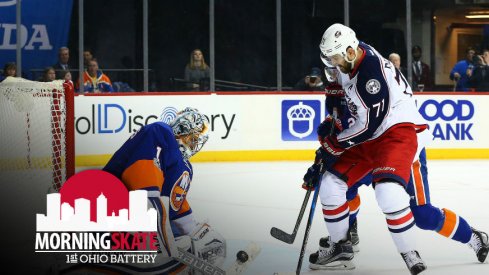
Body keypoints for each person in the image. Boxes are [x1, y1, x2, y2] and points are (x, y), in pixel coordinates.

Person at [305, 89, 489, 265]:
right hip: (364, 154)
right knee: (341, 188)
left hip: (400, 152)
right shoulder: (344, 100)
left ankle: (473, 236)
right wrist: (324, 156)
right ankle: (345, 238)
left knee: (423, 215)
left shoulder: (381, 93)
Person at [305, 23, 431, 274]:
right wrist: (333, 120)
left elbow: (370, 125)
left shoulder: (371, 74)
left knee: (388, 192)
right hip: (370, 133)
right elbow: (339, 95)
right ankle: (341, 248)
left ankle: (409, 252)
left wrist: (335, 144)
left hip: (396, 130)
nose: (333, 64)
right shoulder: (349, 60)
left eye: (336, 59)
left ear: (350, 52)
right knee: (330, 184)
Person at [98, 107, 225, 274]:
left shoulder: (180, 163)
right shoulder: (160, 132)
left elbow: (173, 208)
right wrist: (165, 246)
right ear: (182, 130)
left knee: (210, 243)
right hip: (103, 225)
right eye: (194, 136)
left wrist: (195, 231)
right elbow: (148, 201)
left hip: (120, 227)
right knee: (180, 249)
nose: (196, 142)